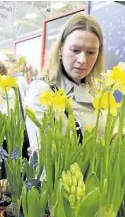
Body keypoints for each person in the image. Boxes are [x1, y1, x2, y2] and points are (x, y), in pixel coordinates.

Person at [24, 13, 105, 152]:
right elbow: (43, 157)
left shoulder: (96, 91)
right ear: (60, 49)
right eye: (75, 50)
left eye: (91, 52)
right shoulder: (42, 91)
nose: (82, 60)